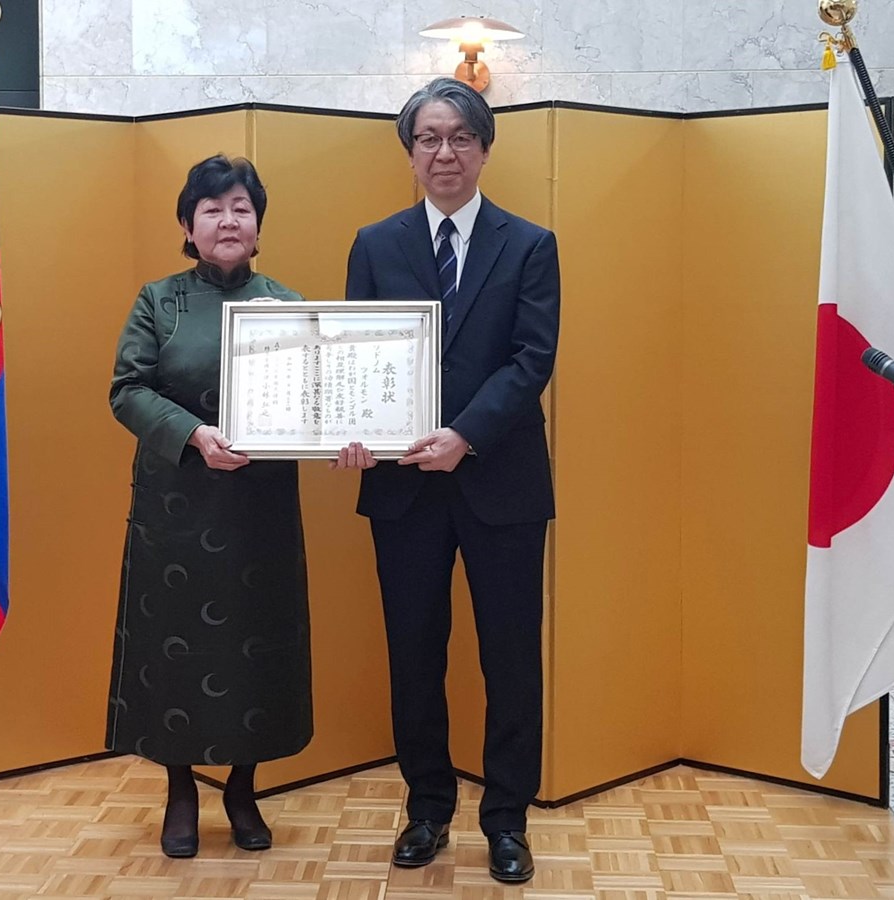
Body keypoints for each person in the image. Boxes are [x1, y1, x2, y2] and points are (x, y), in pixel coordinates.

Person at [335, 77, 560, 884]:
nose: (444, 153)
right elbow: (356, 357)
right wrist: (350, 430)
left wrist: (464, 436)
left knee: (511, 659)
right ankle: (426, 808)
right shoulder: (375, 244)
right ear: (409, 152)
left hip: (502, 482)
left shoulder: (529, 244)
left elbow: (532, 359)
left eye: (461, 137)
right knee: (413, 655)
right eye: (428, 138)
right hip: (403, 491)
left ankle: (507, 820)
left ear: (485, 149)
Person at [107, 154, 312, 859]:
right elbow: (127, 390)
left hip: (259, 508)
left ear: (258, 226)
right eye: (212, 209)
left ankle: (243, 789)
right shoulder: (157, 301)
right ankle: (180, 791)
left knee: (256, 646)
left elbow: (316, 399)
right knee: (175, 650)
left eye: (241, 209)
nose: (228, 221)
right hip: (176, 508)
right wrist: (194, 434)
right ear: (188, 226)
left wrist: (346, 434)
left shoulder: (287, 304)